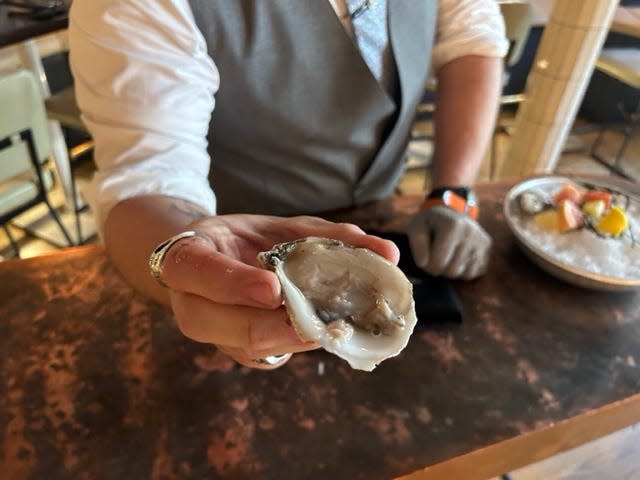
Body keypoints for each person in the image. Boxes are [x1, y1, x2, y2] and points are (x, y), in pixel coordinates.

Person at [68, 0, 508, 369]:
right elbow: (147, 175)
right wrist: (191, 263)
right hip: (232, 279)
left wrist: (453, 193)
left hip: (383, 223)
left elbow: (471, 37)